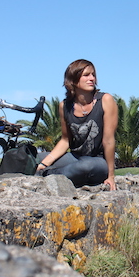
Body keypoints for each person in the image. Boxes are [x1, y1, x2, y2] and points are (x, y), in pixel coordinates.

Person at [36, 59, 118, 190]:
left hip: (98, 162)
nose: (92, 78)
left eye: (93, 75)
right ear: (73, 80)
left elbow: (108, 141)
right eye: (86, 75)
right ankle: (41, 172)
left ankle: (47, 176)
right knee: (34, 158)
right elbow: (65, 140)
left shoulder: (105, 100)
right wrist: (44, 163)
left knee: (86, 167)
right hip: (75, 157)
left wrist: (111, 176)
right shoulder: (65, 106)